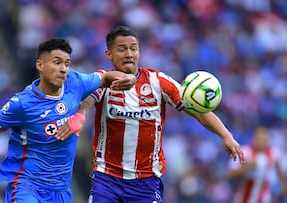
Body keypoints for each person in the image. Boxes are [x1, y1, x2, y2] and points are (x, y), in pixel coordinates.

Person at [55, 26, 245, 203]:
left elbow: (198, 111)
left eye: (133, 48)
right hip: (107, 179)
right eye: (122, 49)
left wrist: (226, 135)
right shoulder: (103, 80)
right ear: (109, 54)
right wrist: (80, 116)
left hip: (146, 182)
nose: (129, 54)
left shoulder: (158, 82)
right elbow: (87, 101)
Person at [0, 38, 136, 203]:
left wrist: (129, 79)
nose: (63, 69)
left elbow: (106, 77)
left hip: (60, 191)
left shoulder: (75, 82)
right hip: (27, 187)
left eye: (66, 63)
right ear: (40, 65)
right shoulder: (22, 104)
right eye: (57, 63)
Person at [227, 126, 286, 203]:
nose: (261, 141)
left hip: (263, 199)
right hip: (243, 198)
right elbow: (229, 175)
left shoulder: (274, 153)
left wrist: (283, 187)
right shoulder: (244, 152)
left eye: (263, 139)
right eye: (259, 139)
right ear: (254, 138)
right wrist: (246, 167)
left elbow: (280, 173)